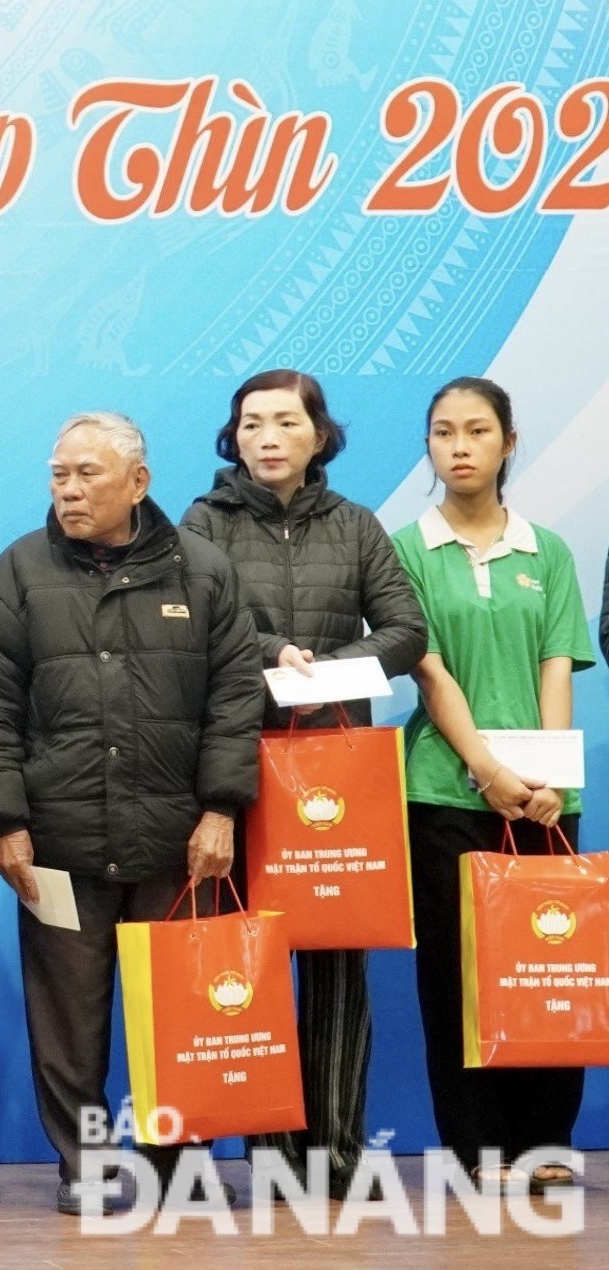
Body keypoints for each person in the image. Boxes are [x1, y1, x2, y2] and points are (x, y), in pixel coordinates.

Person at [0, 411, 264, 1214]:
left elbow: (234, 698)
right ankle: (83, 1166)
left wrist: (222, 810)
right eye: (58, 474)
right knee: (67, 1023)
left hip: (178, 841)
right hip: (58, 839)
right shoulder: (18, 573)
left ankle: (174, 1165)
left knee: (180, 1012)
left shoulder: (203, 571)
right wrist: (4, 823)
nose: (68, 489)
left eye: (87, 474)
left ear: (138, 482)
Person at [179, 368, 426, 1197]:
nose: (267, 437)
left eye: (285, 421)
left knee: (333, 964)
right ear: (233, 438)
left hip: (332, 771)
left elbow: (402, 629)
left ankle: (336, 1153)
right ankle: (270, 1155)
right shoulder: (202, 522)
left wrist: (329, 669)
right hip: (235, 766)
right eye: (251, 424)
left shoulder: (355, 525)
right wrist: (265, 653)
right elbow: (193, 624)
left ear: (319, 435)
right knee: (242, 957)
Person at [393, 376, 592, 1194]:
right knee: (456, 975)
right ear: (430, 448)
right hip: (444, 790)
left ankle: (543, 1143)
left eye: (477, 431)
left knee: (548, 970)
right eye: (443, 433)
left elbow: (556, 665)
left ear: (509, 443)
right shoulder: (404, 549)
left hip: (547, 799)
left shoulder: (546, 551)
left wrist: (542, 773)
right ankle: (477, 1151)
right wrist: (486, 769)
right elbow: (428, 671)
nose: (460, 446)